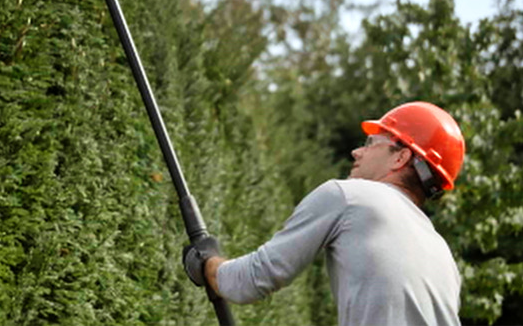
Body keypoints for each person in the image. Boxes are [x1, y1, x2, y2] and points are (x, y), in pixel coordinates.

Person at [183, 101, 466, 326]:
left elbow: (250, 281)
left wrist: (206, 263)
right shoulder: (443, 255)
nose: (357, 152)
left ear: (400, 157)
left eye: (371, 143)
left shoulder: (349, 196)